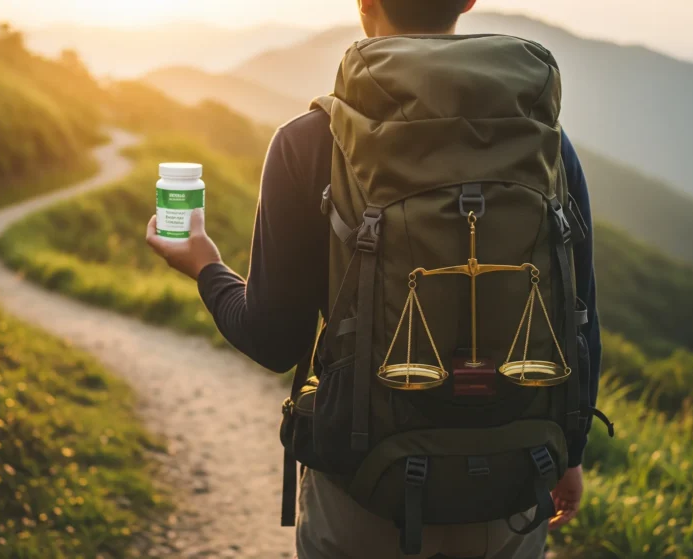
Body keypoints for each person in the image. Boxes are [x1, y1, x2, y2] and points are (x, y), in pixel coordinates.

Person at [146, 1, 602, 557]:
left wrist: (206, 266)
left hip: (362, 490)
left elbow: (273, 340)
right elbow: (580, 314)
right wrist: (571, 451)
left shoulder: (310, 140)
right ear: (468, 1)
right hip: (514, 481)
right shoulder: (547, 142)